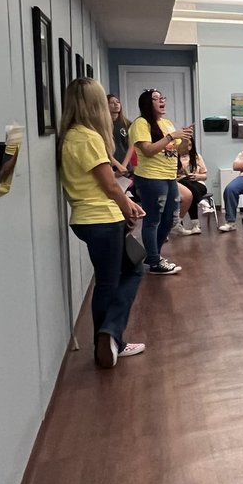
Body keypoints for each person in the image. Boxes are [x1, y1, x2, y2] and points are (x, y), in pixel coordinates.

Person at [59, 77, 147, 367]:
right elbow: (109, 185)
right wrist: (128, 208)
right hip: (103, 218)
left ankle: (106, 342)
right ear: (95, 105)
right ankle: (110, 336)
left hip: (84, 218)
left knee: (108, 280)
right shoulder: (89, 137)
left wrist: (126, 205)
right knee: (129, 273)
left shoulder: (69, 136)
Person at [129, 88, 190, 275]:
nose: (161, 101)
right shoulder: (140, 123)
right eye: (156, 98)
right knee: (153, 220)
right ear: (147, 103)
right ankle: (155, 261)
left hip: (169, 176)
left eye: (162, 97)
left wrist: (185, 138)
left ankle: (152, 255)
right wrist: (171, 137)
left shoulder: (167, 123)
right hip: (151, 178)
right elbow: (148, 150)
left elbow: (180, 152)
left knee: (170, 219)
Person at [174, 137, 208, 236]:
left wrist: (197, 176)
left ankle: (181, 223)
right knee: (188, 189)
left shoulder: (197, 157)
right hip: (180, 185)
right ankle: (196, 222)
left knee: (191, 192)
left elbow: (205, 176)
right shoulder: (174, 157)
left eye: (190, 145)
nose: (188, 147)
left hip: (198, 184)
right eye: (185, 145)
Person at [108, 93, 133, 177]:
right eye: (112, 103)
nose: (116, 104)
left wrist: (123, 166)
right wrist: (116, 164)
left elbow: (131, 146)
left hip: (126, 165)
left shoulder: (127, 124)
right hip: (110, 165)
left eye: (118, 102)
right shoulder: (103, 125)